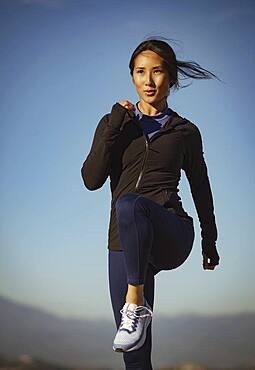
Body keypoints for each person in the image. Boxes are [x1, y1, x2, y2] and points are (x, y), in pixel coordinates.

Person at [81, 37, 221, 370]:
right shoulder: (114, 124)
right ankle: (137, 306)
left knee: (130, 204)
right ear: (131, 76)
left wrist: (209, 239)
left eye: (157, 72)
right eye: (140, 72)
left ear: (171, 77)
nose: (148, 80)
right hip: (124, 239)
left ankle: (135, 302)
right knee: (135, 356)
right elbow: (91, 179)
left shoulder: (185, 132)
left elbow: (201, 187)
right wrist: (116, 123)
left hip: (169, 230)